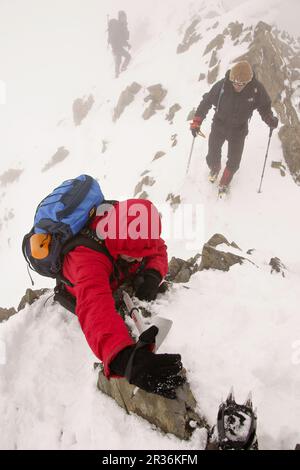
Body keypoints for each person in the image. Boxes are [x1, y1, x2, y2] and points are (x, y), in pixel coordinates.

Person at [62, 198, 185, 399]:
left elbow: (157, 248)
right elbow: (94, 306)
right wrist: (125, 358)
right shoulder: (87, 259)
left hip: (112, 273)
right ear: (116, 246)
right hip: (80, 287)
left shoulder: (134, 226)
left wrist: (153, 275)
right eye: (131, 256)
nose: (138, 260)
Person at [190, 61, 279, 192]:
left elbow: (264, 107)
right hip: (219, 125)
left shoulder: (256, 89)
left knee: (234, 162)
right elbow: (206, 102)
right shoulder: (222, 86)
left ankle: (224, 182)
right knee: (212, 154)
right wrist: (196, 122)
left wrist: (270, 120)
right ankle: (215, 169)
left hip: (239, 130)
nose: (237, 86)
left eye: (241, 84)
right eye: (235, 82)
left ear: (248, 81)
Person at [108, 10, 131, 78]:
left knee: (120, 60)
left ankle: (118, 74)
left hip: (117, 47)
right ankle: (120, 73)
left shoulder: (121, 26)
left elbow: (122, 39)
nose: (124, 19)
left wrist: (127, 44)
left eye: (125, 17)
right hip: (116, 47)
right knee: (126, 57)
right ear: (120, 17)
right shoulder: (117, 26)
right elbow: (119, 38)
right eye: (123, 17)